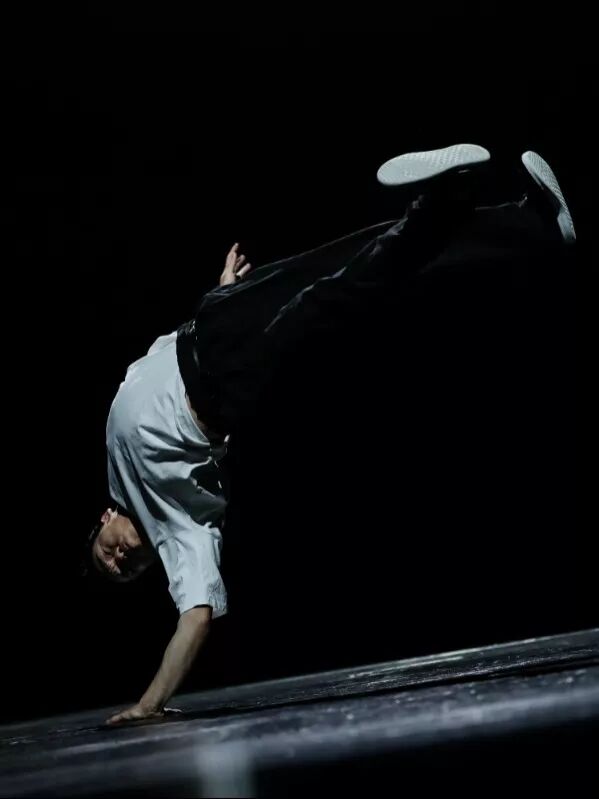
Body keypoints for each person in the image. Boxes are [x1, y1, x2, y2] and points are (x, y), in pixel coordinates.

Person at [88, 144, 575, 724]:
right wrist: (150, 703)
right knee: (345, 287)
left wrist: (225, 290)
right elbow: (194, 619)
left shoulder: (115, 454)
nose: (120, 561)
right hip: (228, 381)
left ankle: (503, 214)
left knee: (350, 254)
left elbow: (156, 361)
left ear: (103, 520)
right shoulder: (180, 527)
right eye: (128, 571)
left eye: (107, 555)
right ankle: (481, 214)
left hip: (215, 319)